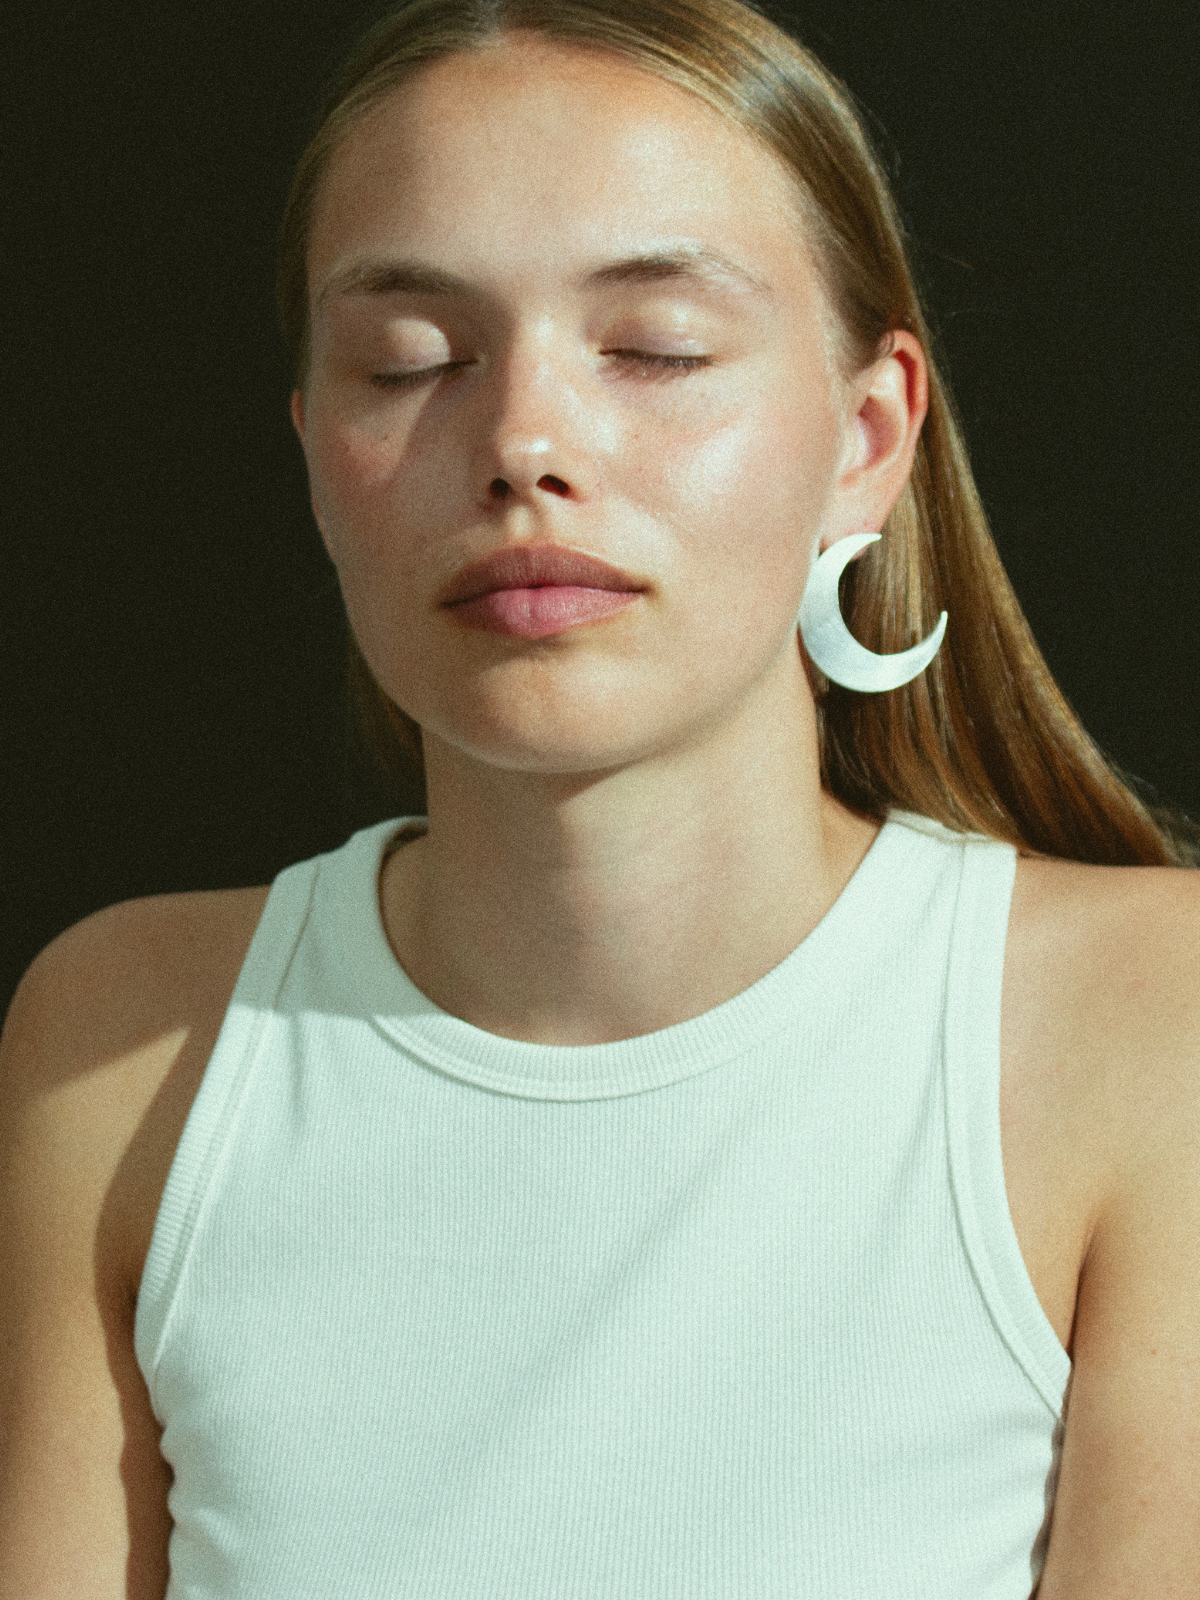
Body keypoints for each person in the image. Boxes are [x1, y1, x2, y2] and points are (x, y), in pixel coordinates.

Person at [1, 1, 1197, 1595]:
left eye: (657, 349)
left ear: (866, 437)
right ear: (313, 451)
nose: (522, 443)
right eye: (409, 360)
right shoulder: (122, 1054)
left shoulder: (1146, 1029)